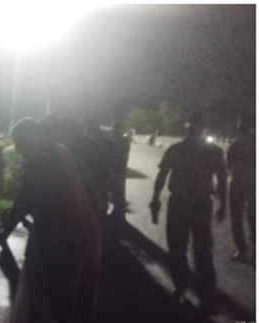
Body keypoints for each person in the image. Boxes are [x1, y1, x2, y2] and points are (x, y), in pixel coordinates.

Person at [4, 118, 102, 323]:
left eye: (20, 142)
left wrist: (2, 232)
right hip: (84, 230)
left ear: (32, 138)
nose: (18, 149)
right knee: (79, 296)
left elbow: (23, 201)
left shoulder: (40, 160)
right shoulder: (60, 151)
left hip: (63, 237)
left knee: (61, 297)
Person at [150, 112, 228, 308]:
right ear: (203, 129)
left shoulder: (177, 149)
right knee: (202, 250)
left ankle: (181, 287)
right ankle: (204, 294)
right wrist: (223, 205)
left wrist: (155, 200)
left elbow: (162, 176)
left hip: (181, 204)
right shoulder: (213, 151)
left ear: (187, 127)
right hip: (200, 204)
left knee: (178, 248)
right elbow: (222, 180)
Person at [227, 114, 255, 262]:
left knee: (236, 218)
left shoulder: (235, 144)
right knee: (254, 218)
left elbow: (228, 165)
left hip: (238, 184)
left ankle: (242, 250)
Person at [109, 121, 131, 218]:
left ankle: (118, 210)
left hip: (117, 168)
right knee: (119, 189)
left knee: (117, 190)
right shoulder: (124, 140)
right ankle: (119, 209)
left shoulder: (119, 141)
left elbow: (113, 154)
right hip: (121, 168)